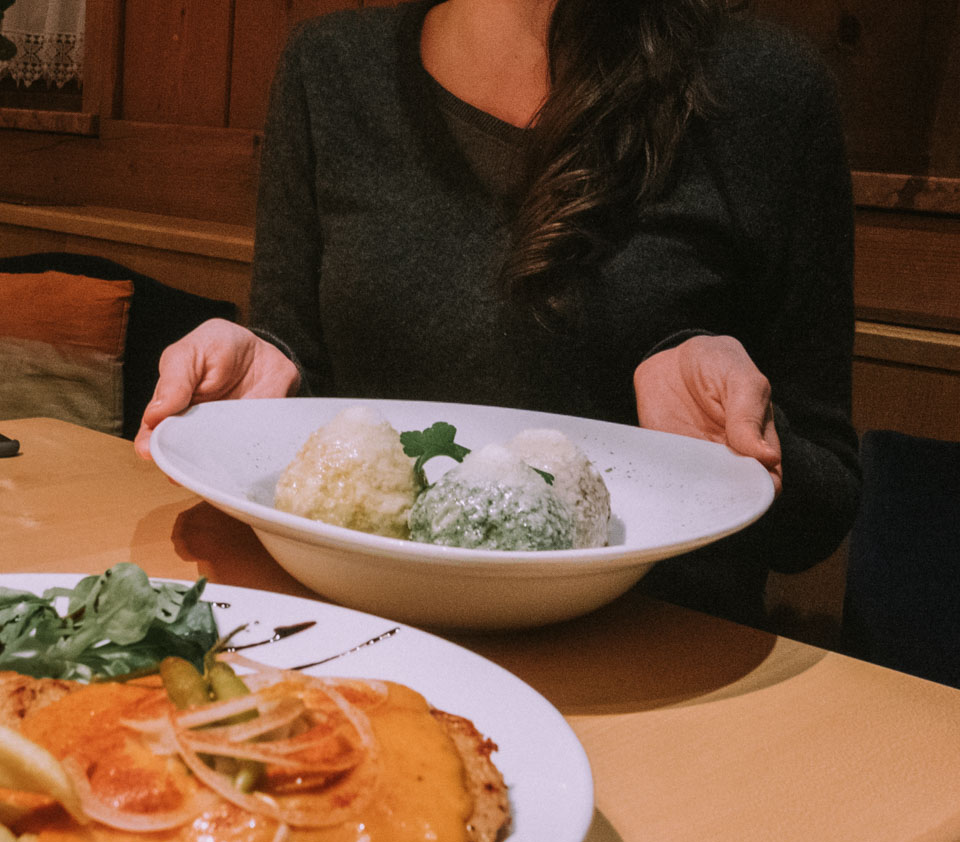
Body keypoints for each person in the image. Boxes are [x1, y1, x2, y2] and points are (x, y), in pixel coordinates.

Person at [135, 0, 861, 627]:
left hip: (647, 667)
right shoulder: (330, 70)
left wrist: (741, 446)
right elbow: (304, 369)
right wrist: (264, 368)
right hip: (365, 644)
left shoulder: (768, 91)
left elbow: (819, 513)